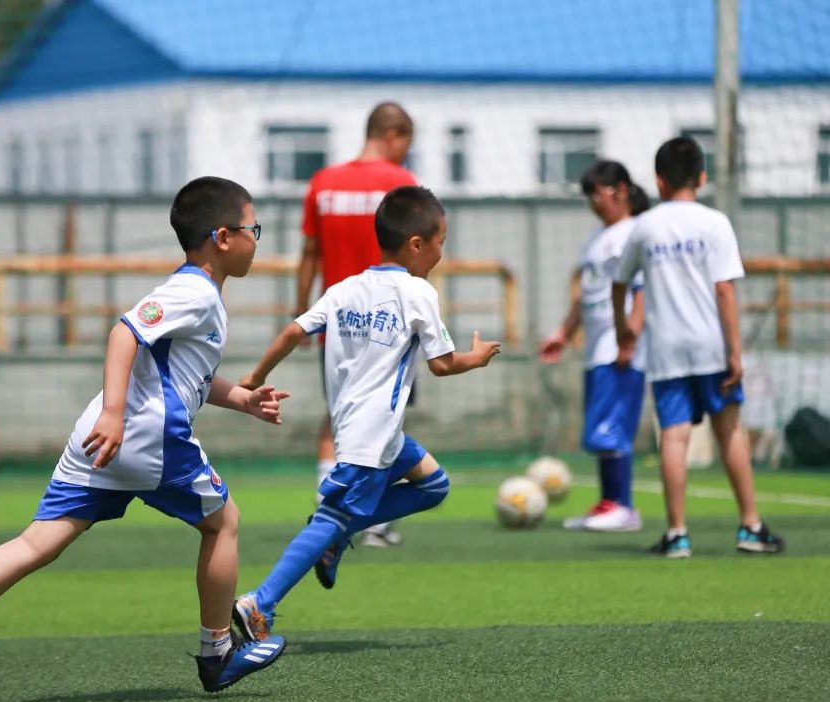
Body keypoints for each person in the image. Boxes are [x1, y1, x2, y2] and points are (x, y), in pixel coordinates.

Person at [0, 177, 288, 702]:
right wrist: (114, 412)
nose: (255, 240)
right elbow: (124, 333)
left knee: (37, 542)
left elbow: (182, 372)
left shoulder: (197, 293)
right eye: (253, 229)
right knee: (224, 523)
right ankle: (217, 654)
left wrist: (240, 399)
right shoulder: (195, 291)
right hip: (145, 437)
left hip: (102, 439)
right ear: (223, 237)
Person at [231, 186, 500, 640]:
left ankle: (336, 535)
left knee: (434, 485)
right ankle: (261, 602)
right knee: (331, 517)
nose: (442, 252)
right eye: (441, 242)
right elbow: (441, 364)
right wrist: (476, 357)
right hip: (370, 436)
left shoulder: (344, 288)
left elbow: (293, 331)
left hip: (370, 429)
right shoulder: (418, 292)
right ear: (417, 244)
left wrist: (255, 376)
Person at [612, 137, 785, 557]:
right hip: (711, 345)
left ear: (658, 180)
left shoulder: (645, 226)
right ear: (702, 177)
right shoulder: (715, 223)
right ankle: (750, 526)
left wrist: (623, 330)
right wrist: (735, 352)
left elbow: (619, 282)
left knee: (674, 438)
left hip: (667, 348)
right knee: (730, 431)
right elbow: (724, 290)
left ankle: (677, 534)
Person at [297, 101, 418, 547]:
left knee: (337, 417)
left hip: (338, 324)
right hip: (390, 322)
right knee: (384, 419)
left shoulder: (323, 184)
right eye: (406, 144)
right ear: (393, 135)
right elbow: (415, 255)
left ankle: (326, 512)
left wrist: (302, 311)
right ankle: (372, 523)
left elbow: (309, 255)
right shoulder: (402, 183)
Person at [539, 161, 650, 532]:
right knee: (599, 428)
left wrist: (630, 336)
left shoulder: (635, 233)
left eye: (597, 193)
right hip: (597, 345)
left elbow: (643, 289)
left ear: (621, 190)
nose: (592, 202)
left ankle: (623, 507)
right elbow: (586, 295)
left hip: (619, 344)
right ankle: (608, 503)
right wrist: (563, 332)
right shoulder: (597, 239)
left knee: (610, 426)